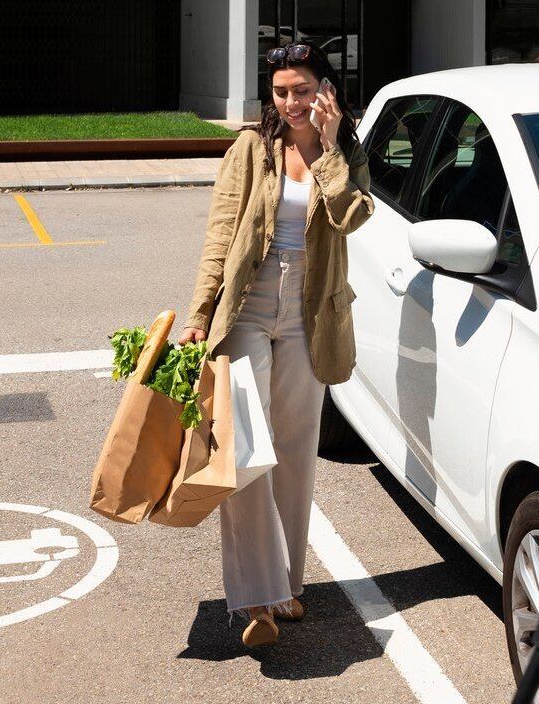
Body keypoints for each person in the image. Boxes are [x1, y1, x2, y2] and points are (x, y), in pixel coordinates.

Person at [177, 40, 374, 647]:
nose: (291, 102)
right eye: (282, 91)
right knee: (246, 450)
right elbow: (220, 233)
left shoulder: (347, 153)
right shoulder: (251, 149)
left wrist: (332, 147)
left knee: (294, 449)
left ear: (326, 90)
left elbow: (351, 215)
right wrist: (198, 313)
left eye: (303, 89)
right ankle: (257, 596)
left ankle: (288, 584)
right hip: (248, 309)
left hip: (309, 315)